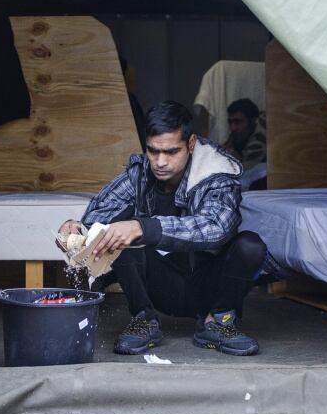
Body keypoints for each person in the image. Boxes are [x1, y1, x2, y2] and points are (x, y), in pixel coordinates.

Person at [58, 101, 266, 356]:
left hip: (209, 284)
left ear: (190, 145)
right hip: (161, 284)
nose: (160, 162)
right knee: (116, 232)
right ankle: (145, 319)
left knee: (251, 246)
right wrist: (77, 229)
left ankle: (218, 323)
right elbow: (98, 216)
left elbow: (217, 227)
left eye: (171, 152)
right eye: (153, 151)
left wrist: (143, 227)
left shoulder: (216, 173)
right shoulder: (140, 173)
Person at [222, 98, 266, 172]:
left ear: (252, 121)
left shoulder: (260, 138)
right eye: (230, 122)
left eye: (238, 122)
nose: (232, 128)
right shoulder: (240, 133)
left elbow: (245, 175)